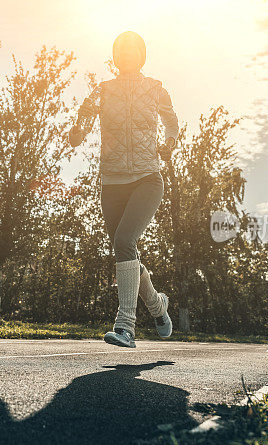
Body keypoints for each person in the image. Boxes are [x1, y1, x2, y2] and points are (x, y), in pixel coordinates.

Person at [68, 31, 178, 348]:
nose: (127, 53)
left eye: (134, 49)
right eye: (122, 49)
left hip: (147, 177)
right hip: (112, 182)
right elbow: (80, 129)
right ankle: (157, 305)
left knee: (124, 240)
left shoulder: (156, 88)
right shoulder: (102, 91)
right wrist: (78, 128)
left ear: (142, 54)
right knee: (124, 250)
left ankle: (126, 326)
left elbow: (172, 123)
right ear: (115, 55)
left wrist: (169, 143)